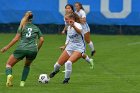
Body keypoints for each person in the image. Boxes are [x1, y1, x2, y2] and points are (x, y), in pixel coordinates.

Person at [0, 11, 44, 87]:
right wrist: (37, 49)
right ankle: (22, 83)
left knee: (8, 64)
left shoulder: (22, 26)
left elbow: (16, 39)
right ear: (32, 19)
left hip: (21, 48)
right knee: (27, 66)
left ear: (25, 17)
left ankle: (9, 75)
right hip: (33, 50)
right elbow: (42, 40)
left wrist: (6, 47)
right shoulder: (36, 28)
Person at [49, 13, 87, 84]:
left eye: (66, 19)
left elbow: (80, 32)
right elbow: (69, 39)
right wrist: (65, 46)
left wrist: (74, 26)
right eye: (65, 19)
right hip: (70, 47)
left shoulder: (77, 25)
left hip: (79, 48)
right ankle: (55, 71)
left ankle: (66, 80)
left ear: (72, 19)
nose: (65, 20)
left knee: (68, 63)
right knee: (57, 65)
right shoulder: (68, 27)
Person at [60, 4, 94, 69]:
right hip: (71, 34)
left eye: (69, 8)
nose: (67, 9)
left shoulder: (74, 15)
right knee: (79, 53)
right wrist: (64, 30)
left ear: (72, 9)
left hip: (79, 34)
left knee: (77, 51)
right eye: (66, 8)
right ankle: (90, 60)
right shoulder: (65, 17)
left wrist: (79, 23)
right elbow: (67, 25)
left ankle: (68, 66)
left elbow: (82, 21)